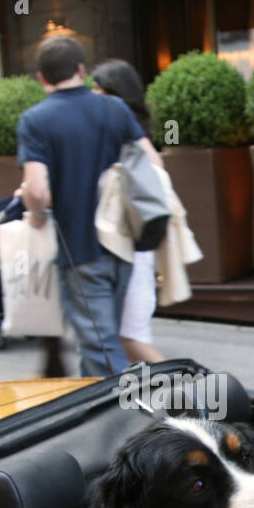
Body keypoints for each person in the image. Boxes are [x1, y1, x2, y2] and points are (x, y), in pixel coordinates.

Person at [17, 36, 163, 377]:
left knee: (101, 347)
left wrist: (37, 218)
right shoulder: (114, 108)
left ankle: (126, 417)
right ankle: (95, 416)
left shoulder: (35, 120)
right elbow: (154, 164)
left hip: (79, 250)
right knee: (98, 339)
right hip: (122, 243)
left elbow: (36, 191)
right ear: (81, 70)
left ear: (42, 77)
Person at [91, 58, 165, 365]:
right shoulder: (130, 127)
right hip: (132, 238)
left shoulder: (117, 128)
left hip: (125, 241)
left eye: (97, 87)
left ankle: (198, 394)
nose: (91, 93)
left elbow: (156, 168)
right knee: (123, 336)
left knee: (129, 336)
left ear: (113, 92)